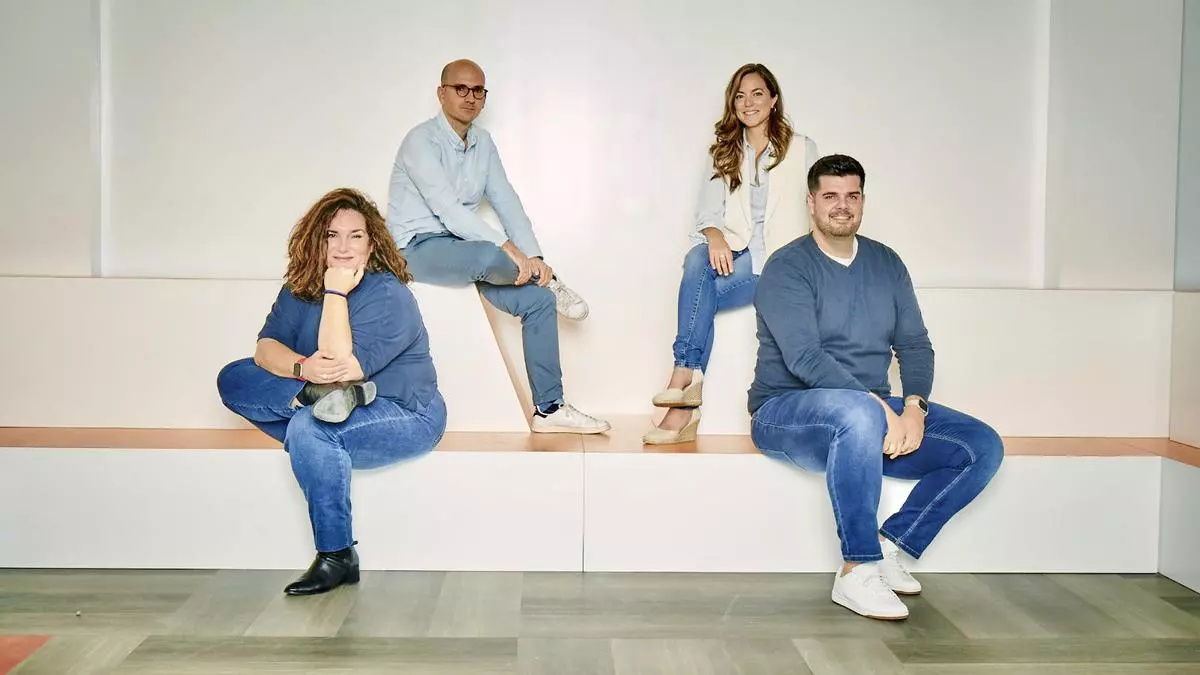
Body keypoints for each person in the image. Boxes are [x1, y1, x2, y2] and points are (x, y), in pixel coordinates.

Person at [749, 155, 1004, 620]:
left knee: (980, 445)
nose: (842, 206)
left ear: (863, 200)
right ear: (811, 203)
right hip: (786, 413)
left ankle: (892, 546)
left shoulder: (887, 263)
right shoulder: (786, 268)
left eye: (852, 195)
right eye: (830, 196)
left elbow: (915, 345)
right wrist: (878, 408)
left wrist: (913, 408)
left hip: (869, 415)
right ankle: (857, 569)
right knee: (860, 412)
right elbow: (805, 358)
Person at [217, 188, 446, 596]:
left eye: (355, 236)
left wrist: (336, 292)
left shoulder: (389, 294)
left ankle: (338, 556)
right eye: (332, 236)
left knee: (308, 429)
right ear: (317, 241)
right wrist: (303, 371)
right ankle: (313, 396)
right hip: (327, 393)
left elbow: (340, 365)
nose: (343, 247)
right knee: (233, 377)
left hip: (404, 412)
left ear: (371, 244)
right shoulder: (300, 288)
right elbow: (265, 349)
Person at [387, 58, 608, 434]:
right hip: (416, 249)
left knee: (538, 302)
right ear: (441, 93)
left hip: (463, 249)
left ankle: (549, 409)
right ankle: (550, 283)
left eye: (478, 91)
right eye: (460, 88)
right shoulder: (420, 141)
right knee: (491, 254)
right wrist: (508, 249)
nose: (470, 97)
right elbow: (448, 210)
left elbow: (506, 201)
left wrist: (534, 256)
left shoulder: (483, 143)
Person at [644, 63, 818, 444]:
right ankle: (684, 378)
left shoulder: (802, 148)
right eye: (740, 96)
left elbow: (816, 210)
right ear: (732, 103)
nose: (748, 102)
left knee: (699, 297)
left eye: (757, 94)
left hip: (779, 266)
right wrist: (715, 236)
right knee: (697, 259)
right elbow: (707, 211)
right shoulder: (724, 150)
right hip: (737, 255)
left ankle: (681, 400)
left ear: (773, 99)